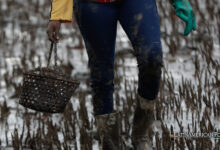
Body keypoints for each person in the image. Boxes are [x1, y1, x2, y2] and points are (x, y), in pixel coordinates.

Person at [47, 0, 196, 149]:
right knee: (101, 73)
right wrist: (57, 14)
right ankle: (109, 143)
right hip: (93, 4)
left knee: (152, 57)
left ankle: (140, 133)